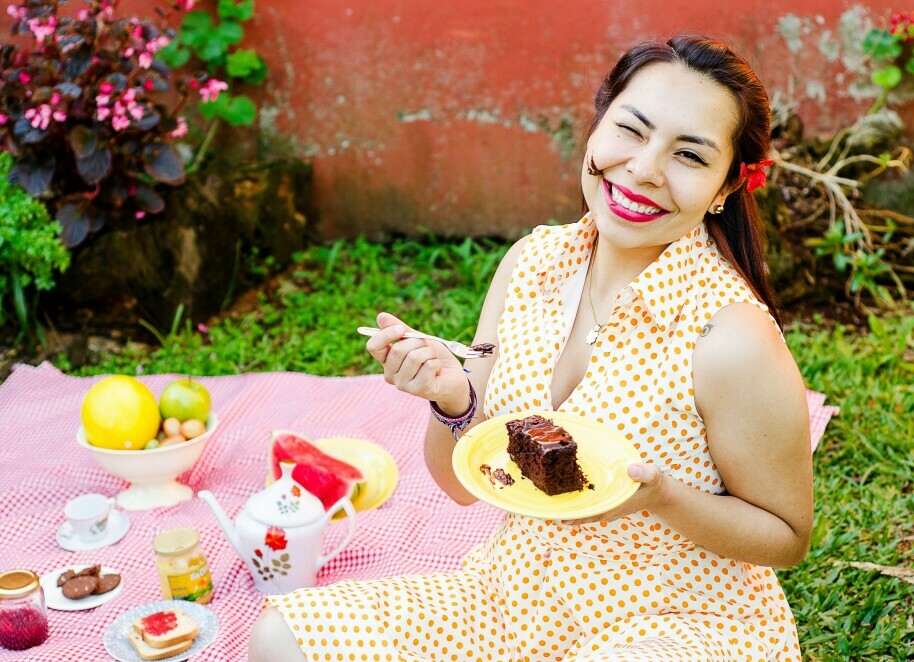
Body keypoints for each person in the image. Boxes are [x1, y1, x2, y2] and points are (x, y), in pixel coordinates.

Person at [249, 35, 813, 661]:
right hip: (512, 596)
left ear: (725, 187)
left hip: (678, 618)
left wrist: (663, 498)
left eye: (688, 154)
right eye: (631, 130)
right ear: (598, 130)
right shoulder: (529, 265)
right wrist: (452, 399)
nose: (645, 167)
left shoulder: (731, 337)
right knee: (284, 641)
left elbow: (787, 536)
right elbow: (466, 486)